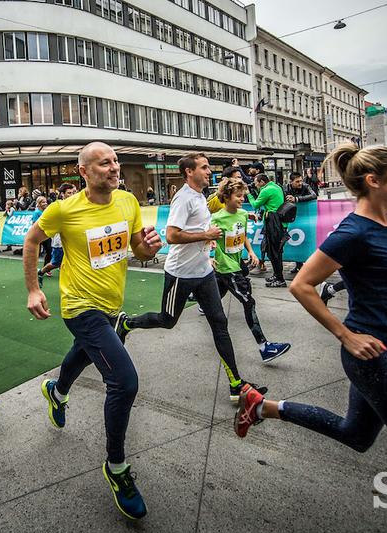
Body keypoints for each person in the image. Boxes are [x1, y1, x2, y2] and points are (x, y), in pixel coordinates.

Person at [234, 144, 387, 533]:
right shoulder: (353, 231)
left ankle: (262, 406)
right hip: (374, 358)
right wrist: (345, 335)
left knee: (356, 434)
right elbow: (302, 284)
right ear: (374, 180)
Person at [23, 141, 162, 520]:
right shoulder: (64, 210)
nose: (114, 168)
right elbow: (32, 239)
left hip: (110, 306)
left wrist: (149, 247)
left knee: (83, 353)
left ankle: (57, 390)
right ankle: (116, 469)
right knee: (124, 381)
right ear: (83, 171)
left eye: (116, 161)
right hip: (80, 307)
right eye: (105, 163)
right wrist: (34, 289)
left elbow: (138, 249)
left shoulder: (128, 202)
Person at [117, 153, 256, 403]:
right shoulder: (183, 198)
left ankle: (236, 383)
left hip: (204, 272)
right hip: (180, 273)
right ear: (189, 172)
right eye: (203, 167)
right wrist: (205, 235)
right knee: (167, 320)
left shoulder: (201, 196)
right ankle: (127, 324)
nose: (208, 171)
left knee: (219, 324)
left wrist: (207, 239)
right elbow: (171, 235)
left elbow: (198, 229)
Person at [211, 177, 292, 363]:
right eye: (238, 196)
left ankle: (201, 298)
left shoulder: (241, 214)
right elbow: (210, 239)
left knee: (215, 296)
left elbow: (242, 234)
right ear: (227, 196)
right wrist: (210, 255)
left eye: (243, 196)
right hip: (227, 268)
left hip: (237, 264)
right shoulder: (216, 218)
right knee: (249, 302)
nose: (242, 199)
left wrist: (251, 252)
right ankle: (265, 347)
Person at [37, 183, 77, 283]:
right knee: (55, 263)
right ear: (62, 194)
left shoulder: (75, 205)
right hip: (59, 242)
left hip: (70, 240)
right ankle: (41, 272)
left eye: (72, 192)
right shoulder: (57, 207)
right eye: (69, 193)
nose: (71, 195)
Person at [252, 173, 288, 287]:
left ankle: (280, 279)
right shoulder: (276, 187)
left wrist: (248, 194)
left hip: (273, 223)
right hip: (279, 223)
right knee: (274, 251)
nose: (255, 185)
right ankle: (277, 275)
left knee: (274, 252)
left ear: (262, 182)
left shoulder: (266, 190)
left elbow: (255, 204)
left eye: (256, 183)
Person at [284, 172, 316, 275]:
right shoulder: (286, 188)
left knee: (307, 241)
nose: (300, 183)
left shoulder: (306, 186)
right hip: (292, 218)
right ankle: (298, 265)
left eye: (301, 180)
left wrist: (297, 199)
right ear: (291, 182)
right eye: (297, 181)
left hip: (306, 217)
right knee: (296, 241)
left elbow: (314, 195)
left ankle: (309, 265)